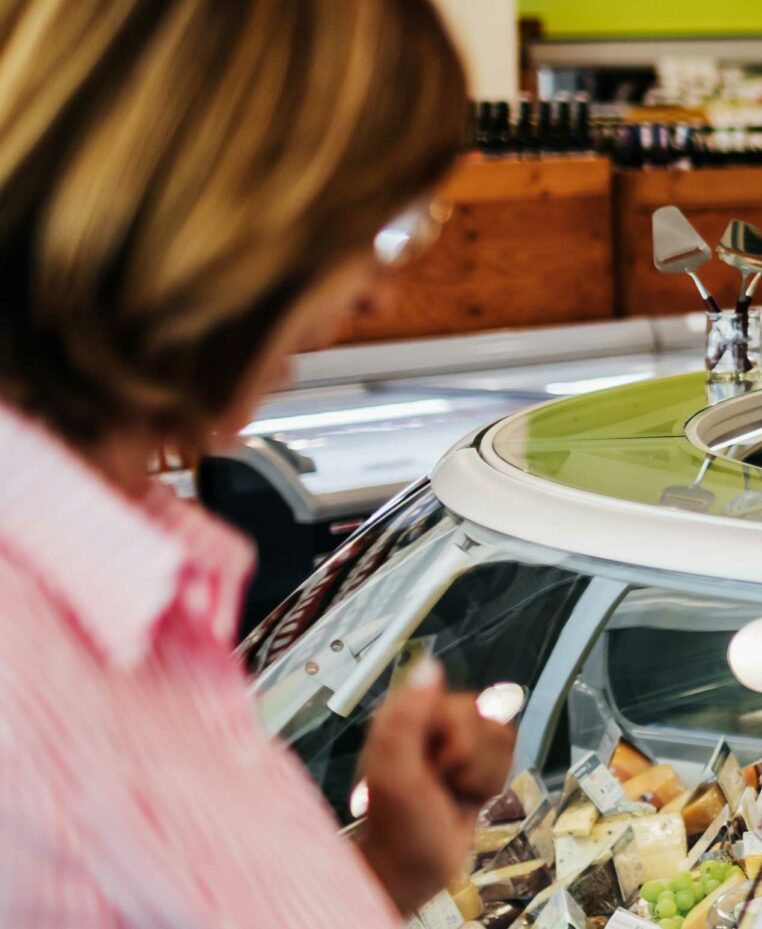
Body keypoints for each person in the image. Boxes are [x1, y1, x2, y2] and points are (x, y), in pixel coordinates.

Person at [0, 1, 515, 924]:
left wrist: (388, 872)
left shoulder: (129, 599)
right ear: (228, 205)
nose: (379, 289)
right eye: (380, 221)